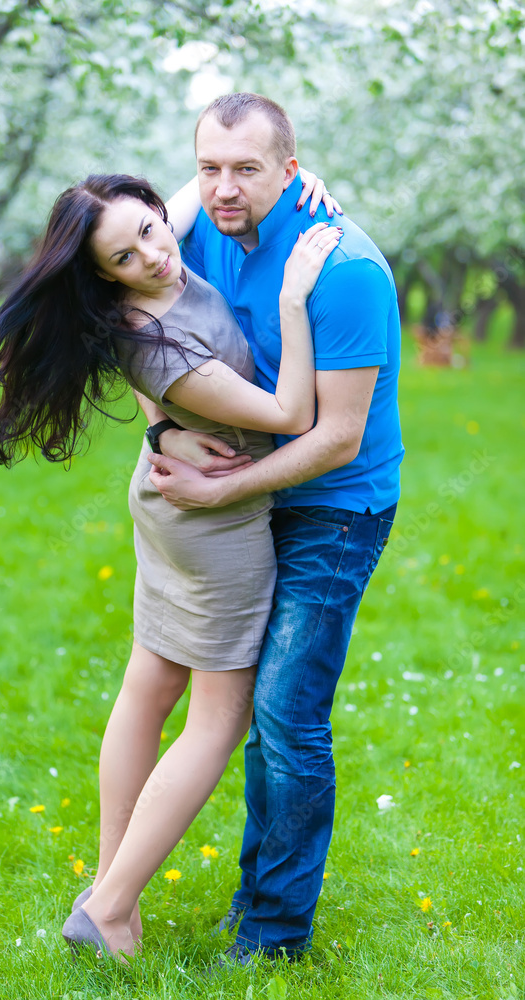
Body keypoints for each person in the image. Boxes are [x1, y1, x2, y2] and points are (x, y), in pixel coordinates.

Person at [0, 170, 343, 961]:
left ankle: (107, 893)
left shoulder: (159, 237)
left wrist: (296, 175)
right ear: (102, 279)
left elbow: (206, 183)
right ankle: (110, 905)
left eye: (151, 231)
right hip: (212, 522)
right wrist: (295, 301)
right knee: (218, 718)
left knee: (150, 682)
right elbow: (291, 415)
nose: (155, 255)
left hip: (170, 497)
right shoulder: (153, 338)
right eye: (125, 258)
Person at [143, 92, 405, 966]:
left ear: (290, 171)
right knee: (248, 702)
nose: (223, 188)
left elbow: (336, 436)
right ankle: (255, 901)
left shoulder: (346, 270)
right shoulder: (195, 232)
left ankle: (272, 934)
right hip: (255, 494)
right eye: (209, 167)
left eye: (247, 169)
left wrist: (223, 492)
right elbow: (128, 303)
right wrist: (163, 428)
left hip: (336, 506)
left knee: (288, 712)